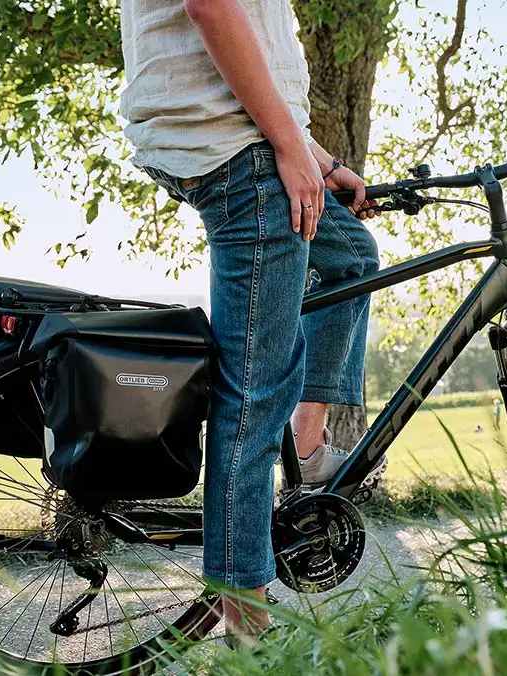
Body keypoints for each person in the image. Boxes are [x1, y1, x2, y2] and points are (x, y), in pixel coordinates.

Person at [119, 0, 385, 643]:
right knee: (252, 399)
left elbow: (253, 53)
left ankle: (308, 445)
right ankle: (249, 637)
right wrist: (290, 149)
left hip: (240, 140)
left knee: (352, 258)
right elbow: (210, 7)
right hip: (240, 157)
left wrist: (318, 159)